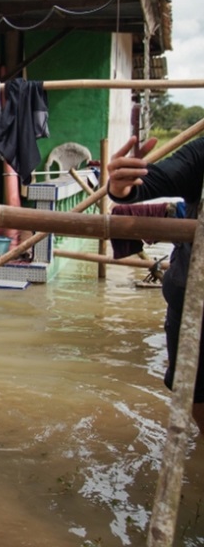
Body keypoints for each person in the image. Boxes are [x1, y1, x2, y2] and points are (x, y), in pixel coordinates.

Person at [107, 134, 203, 435]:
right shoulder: (201, 154)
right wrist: (120, 186)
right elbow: (146, 184)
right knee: (192, 390)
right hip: (194, 300)